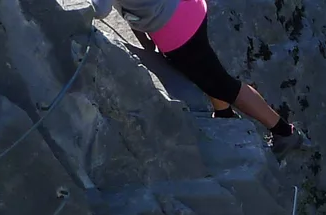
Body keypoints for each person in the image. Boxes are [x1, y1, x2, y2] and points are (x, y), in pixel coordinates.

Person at [93, 0, 300, 152]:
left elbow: (101, 10)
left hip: (175, 29)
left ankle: (284, 132)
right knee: (205, 70)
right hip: (188, 8)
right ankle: (223, 114)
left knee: (221, 84)